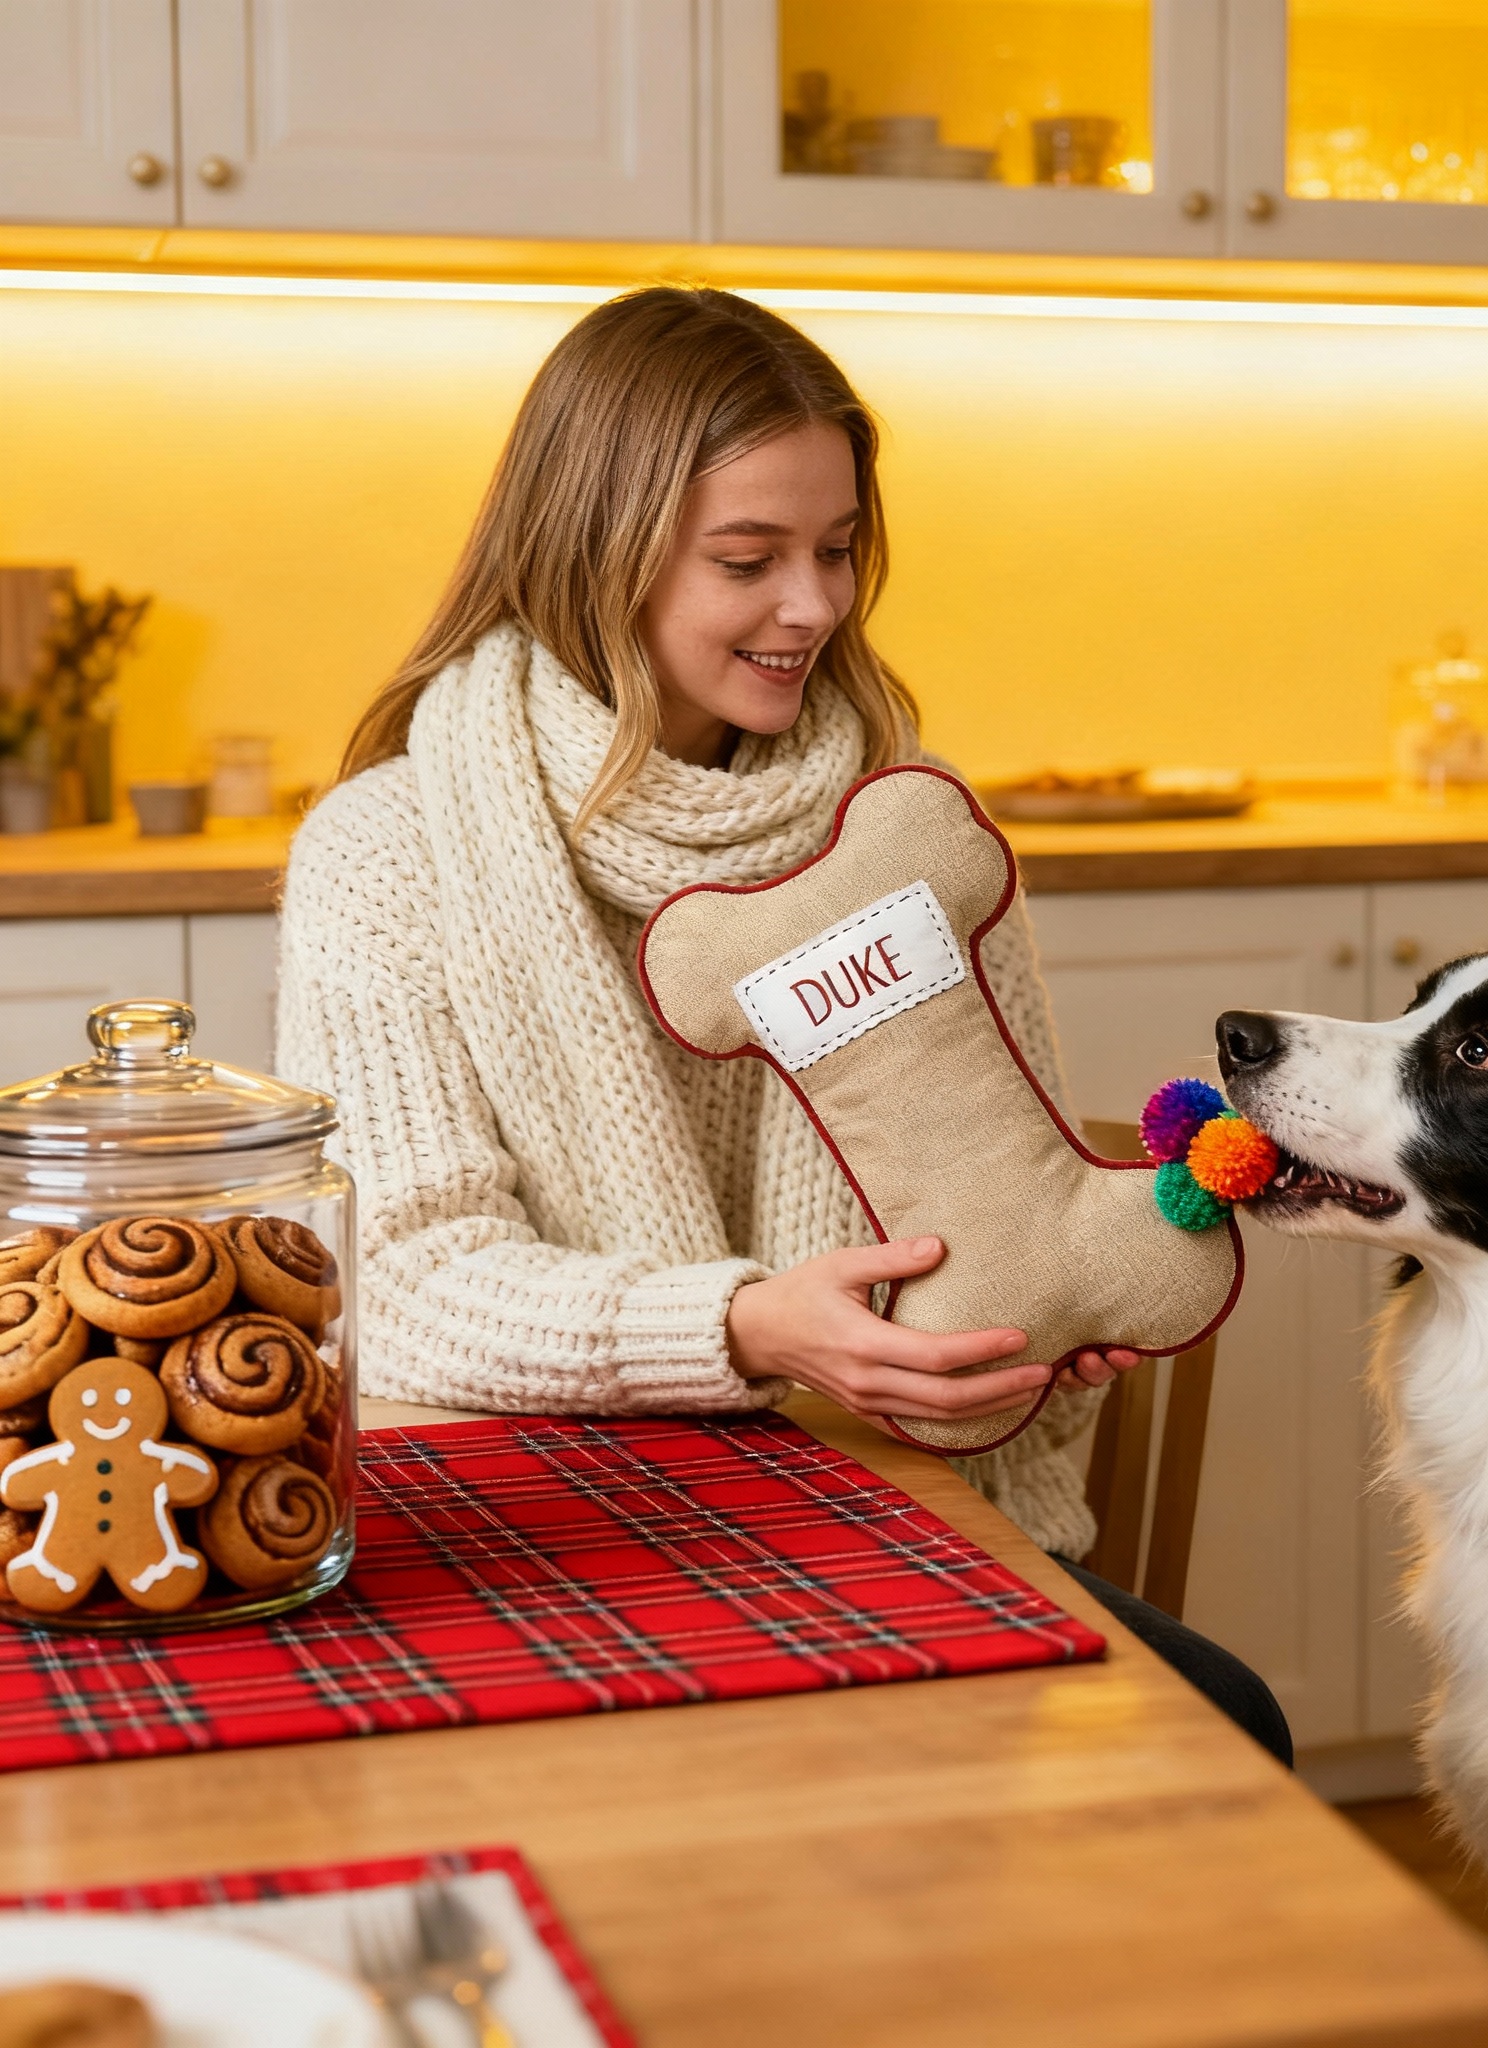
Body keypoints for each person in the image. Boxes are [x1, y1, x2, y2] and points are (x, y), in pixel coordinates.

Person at [276, 287, 1289, 1765]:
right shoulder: (390, 850)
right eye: (748, 558)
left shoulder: (902, 828)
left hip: (884, 1506)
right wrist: (748, 1327)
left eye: (837, 551)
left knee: (1228, 1718)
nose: (813, 606)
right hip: (536, 1531)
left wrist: (1029, 1324)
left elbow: (993, 1190)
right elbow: (404, 1281)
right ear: (593, 555)